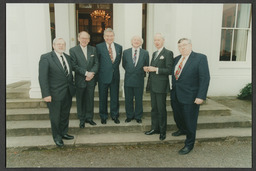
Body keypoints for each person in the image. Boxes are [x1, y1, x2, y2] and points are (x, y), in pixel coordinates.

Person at [171, 38, 210, 155]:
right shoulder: (176, 59)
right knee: (178, 116)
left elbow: (205, 78)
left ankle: (189, 144)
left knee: (190, 121)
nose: (182, 48)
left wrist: (201, 96)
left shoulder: (200, 58)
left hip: (191, 96)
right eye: (179, 46)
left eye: (184, 45)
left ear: (190, 45)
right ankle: (182, 129)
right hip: (176, 94)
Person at [39, 38, 76, 147]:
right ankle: (57, 137)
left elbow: (69, 74)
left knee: (65, 115)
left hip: (67, 92)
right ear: (53, 45)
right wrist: (46, 94)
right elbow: (42, 78)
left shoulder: (67, 57)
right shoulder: (46, 58)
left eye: (63, 44)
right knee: (55, 117)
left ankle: (64, 133)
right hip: (54, 94)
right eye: (58, 44)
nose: (61, 46)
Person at [144, 33, 174, 141]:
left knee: (161, 109)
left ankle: (162, 131)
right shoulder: (155, 53)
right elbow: (153, 68)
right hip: (153, 85)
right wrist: (148, 69)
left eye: (158, 40)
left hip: (161, 86)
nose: (156, 42)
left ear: (163, 41)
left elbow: (169, 70)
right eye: (155, 40)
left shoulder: (168, 53)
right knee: (154, 109)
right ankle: (154, 128)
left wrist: (155, 69)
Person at [70, 31, 99, 128]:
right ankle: (81, 119)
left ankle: (89, 118)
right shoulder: (73, 50)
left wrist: (91, 73)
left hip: (91, 79)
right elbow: (74, 66)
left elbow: (96, 63)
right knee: (80, 100)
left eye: (86, 38)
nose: (84, 40)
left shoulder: (93, 49)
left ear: (89, 40)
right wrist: (86, 73)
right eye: (82, 38)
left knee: (90, 99)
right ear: (78, 39)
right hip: (80, 79)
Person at [96, 28, 123, 124]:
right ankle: (103, 116)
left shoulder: (119, 47)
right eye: (107, 36)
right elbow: (97, 62)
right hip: (103, 77)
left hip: (115, 76)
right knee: (102, 97)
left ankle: (114, 115)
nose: (109, 38)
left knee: (115, 97)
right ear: (104, 37)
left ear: (114, 36)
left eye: (111, 36)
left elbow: (117, 62)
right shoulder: (99, 47)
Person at [122, 35, 149, 123]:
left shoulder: (145, 53)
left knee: (138, 99)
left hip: (139, 79)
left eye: (138, 40)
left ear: (141, 42)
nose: (136, 41)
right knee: (128, 99)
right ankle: (129, 116)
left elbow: (146, 65)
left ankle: (138, 116)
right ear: (131, 41)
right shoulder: (126, 52)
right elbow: (124, 65)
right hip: (128, 79)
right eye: (134, 40)